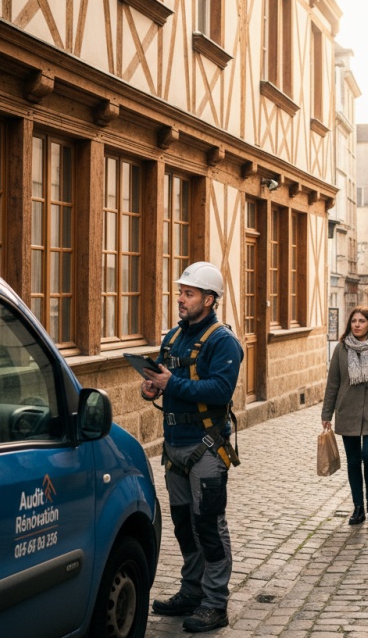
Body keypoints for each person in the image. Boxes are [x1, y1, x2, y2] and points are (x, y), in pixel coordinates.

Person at [141, 261, 243, 633]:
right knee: (185, 526)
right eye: (180, 292)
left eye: (189, 293)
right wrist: (150, 386)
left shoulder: (223, 341)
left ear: (209, 299)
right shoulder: (173, 337)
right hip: (175, 448)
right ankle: (191, 591)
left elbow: (219, 391)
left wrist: (170, 384)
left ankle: (215, 603)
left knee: (209, 526)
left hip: (206, 449)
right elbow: (166, 380)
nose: (180, 299)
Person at [321, 307, 368, 525]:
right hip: (347, 412)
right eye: (353, 321)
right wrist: (327, 413)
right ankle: (358, 507)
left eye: (361, 321)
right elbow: (333, 383)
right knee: (354, 461)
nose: (356, 324)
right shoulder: (341, 349)